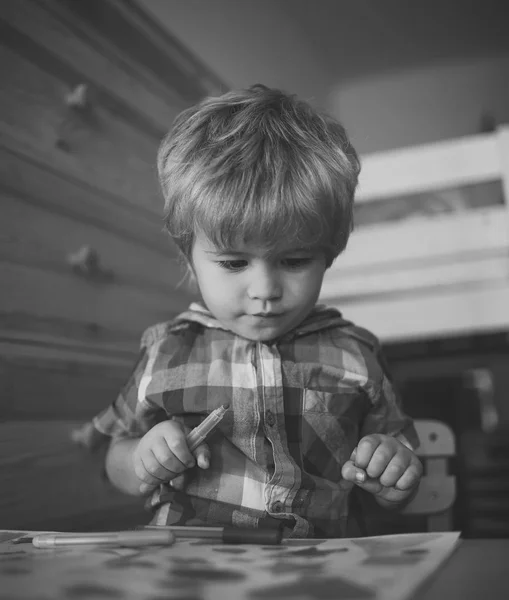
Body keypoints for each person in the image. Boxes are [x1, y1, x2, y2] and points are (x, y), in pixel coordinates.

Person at [79, 84, 422, 538]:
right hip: (189, 568)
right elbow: (111, 456)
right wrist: (142, 456)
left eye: (295, 261)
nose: (264, 290)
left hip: (320, 571)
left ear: (328, 255)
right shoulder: (168, 349)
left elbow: (401, 468)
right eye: (234, 263)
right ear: (190, 256)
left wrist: (393, 471)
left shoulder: (356, 353)